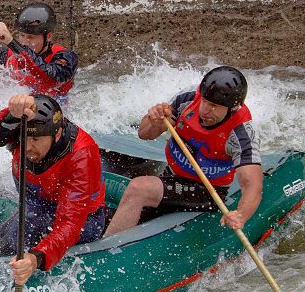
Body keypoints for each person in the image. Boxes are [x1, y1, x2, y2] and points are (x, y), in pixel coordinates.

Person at [0, 94, 105, 286]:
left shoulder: (81, 154)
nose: (27, 147)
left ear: (57, 134)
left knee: (24, 231)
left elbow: (70, 223)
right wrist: (11, 113)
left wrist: (35, 259)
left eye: (36, 139)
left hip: (84, 221)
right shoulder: (23, 129)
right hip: (35, 206)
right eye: (25, 138)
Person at [103, 66, 262, 236]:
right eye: (205, 101)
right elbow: (144, 134)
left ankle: (109, 249)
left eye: (215, 106)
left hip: (206, 191)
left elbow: (252, 184)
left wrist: (241, 215)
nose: (206, 110)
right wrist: (154, 122)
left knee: (138, 188)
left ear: (232, 108)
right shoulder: (188, 99)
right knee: (115, 213)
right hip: (170, 175)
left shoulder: (241, 133)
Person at [0, 2, 78, 104]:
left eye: (31, 37)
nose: (24, 42)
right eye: (22, 35)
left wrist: (11, 42)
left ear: (48, 37)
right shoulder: (4, 56)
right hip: (15, 110)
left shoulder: (67, 57)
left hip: (52, 111)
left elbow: (50, 81)